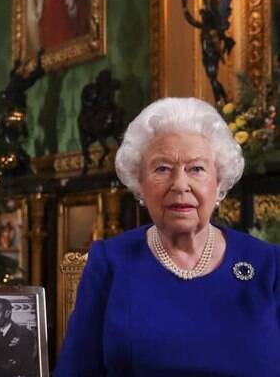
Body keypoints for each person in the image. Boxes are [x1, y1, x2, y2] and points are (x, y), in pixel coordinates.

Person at [54, 97, 280, 376]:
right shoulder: (110, 262)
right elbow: (76, 370)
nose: (180, 184)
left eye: (196, 169)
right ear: (140, 182)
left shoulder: (269, 265)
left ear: (218, 181)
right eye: (162, 169)